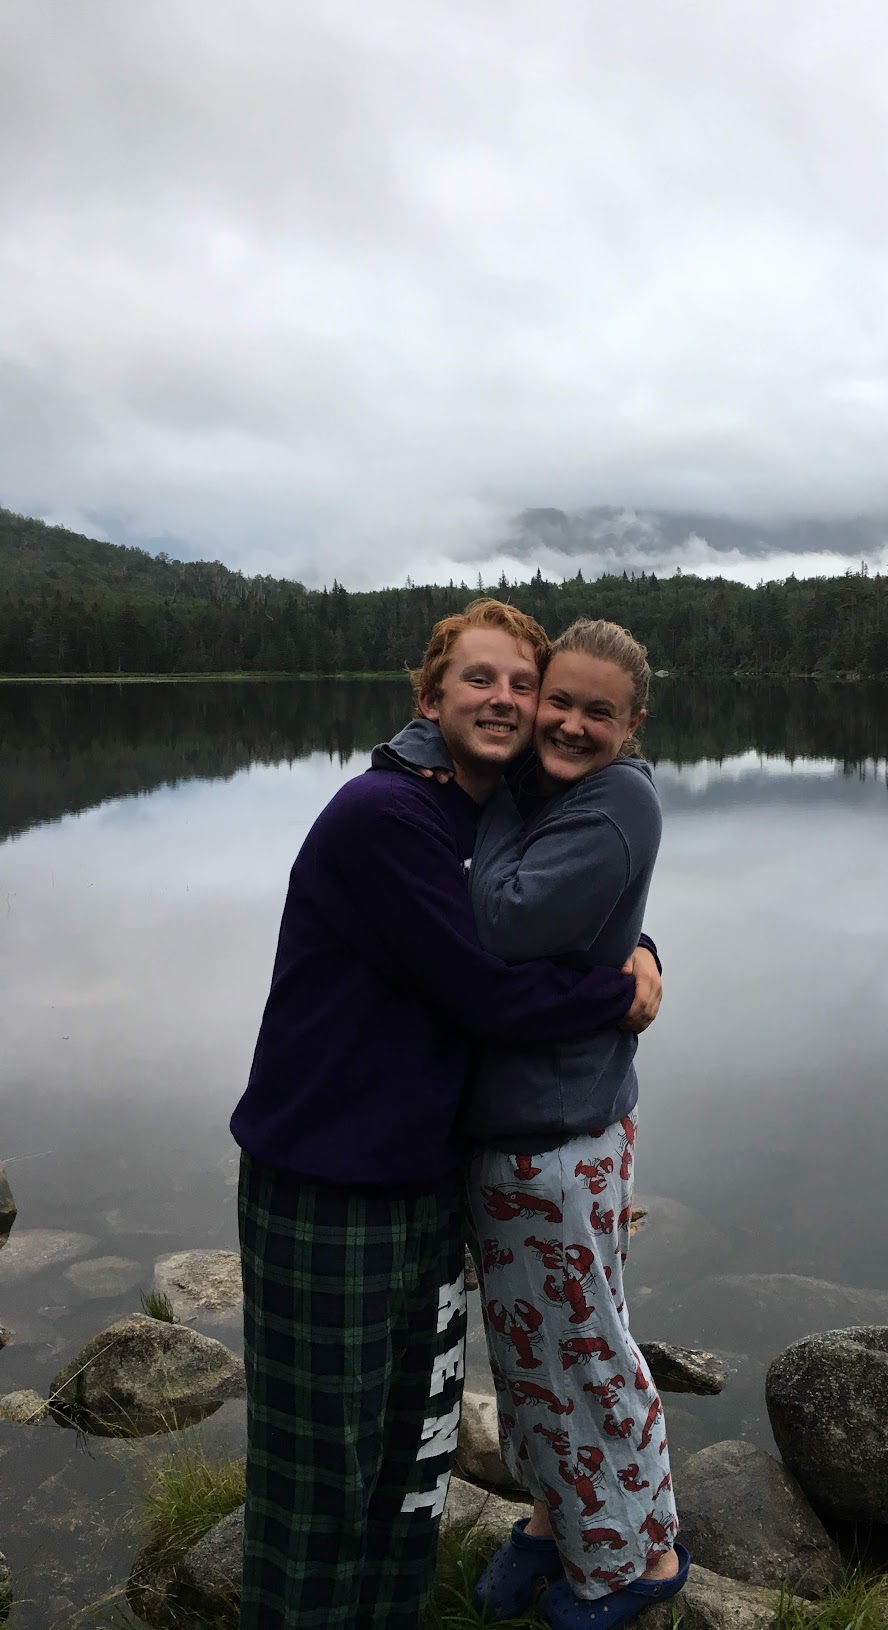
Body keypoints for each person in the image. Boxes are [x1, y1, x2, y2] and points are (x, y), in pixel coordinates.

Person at [229, 599, 662, 1630]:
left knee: (411, 1456)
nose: (510, 702)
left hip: (424, 1180)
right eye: (483, 679)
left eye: (525, 682)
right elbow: (482, 986)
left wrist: (641, 947)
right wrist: (621, 991)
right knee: (321, 1472)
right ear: (430, 697)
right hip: (328, 1182)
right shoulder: (385, 816)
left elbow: (572, 902)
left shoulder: (489, 804)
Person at [394, 618, 687, 1630]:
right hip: (552, 1122)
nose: (562, 721)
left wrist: (482, 815)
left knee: (580, 1350)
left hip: (550, 1137)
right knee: (539, 1352)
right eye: (553, 699)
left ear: (632, 723)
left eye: (594, 711)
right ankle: (563, 1521)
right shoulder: (554, 790)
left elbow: (504, 919)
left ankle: (634, 1562)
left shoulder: (608, 804)